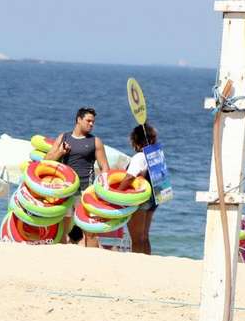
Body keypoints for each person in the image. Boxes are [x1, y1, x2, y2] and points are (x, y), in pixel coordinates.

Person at [45, 107, 110, 247]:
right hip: (64, 190)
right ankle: (62, 257)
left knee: (90, 230)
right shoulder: (64, 137)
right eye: (88, 121)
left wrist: (104, 191)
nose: (91, 124)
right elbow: (47, 161)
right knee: (62, 227)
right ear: (79, 120)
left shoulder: (95, 141)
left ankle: (92, 258)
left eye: (93, 122)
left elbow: (105, 167)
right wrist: (60, 152)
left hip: (85, 191)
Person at [119, 123, 159, 254]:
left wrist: (118, 192)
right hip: (153, 198)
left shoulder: (139, 157)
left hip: (140, 200)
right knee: (144, 237)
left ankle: (138, 264)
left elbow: (130, 177)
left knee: (136, 239)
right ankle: (148, 261)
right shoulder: (154, 155)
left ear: (135, 140)